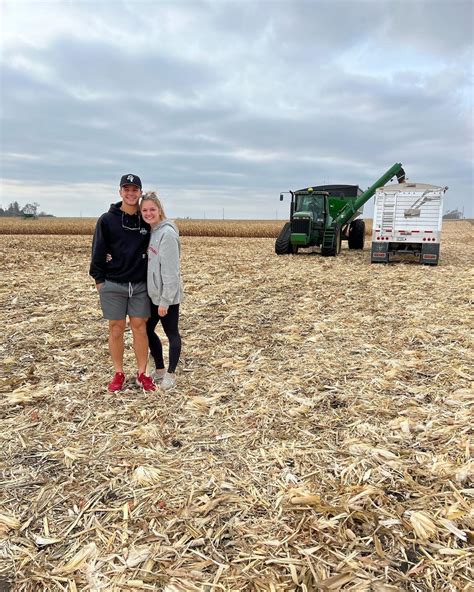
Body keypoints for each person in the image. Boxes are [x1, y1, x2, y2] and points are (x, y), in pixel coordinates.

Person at [90, 174, 156, 393]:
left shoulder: (145, 219)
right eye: (126, 189)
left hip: (138, 285)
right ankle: (118, 373)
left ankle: (142, 374)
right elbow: (98, 251)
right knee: (116, 329)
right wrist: (100, 281)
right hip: (113, 284)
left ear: (140, 192)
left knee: (140, 328)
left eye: (134, 189)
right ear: (120, 192)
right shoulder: (107, 220)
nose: (130, 193)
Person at [140, 192, 183, 390]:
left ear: (159, 210)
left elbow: (171, 272)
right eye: (145, 210)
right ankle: (159, 369)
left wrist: (165, 301)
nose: (148, 213)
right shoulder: (152, 231)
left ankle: (171, 374)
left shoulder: (167, 234)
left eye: (152, 209)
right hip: (153, 295)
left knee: (171, 333)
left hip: (168, 297)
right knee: (147, 330)